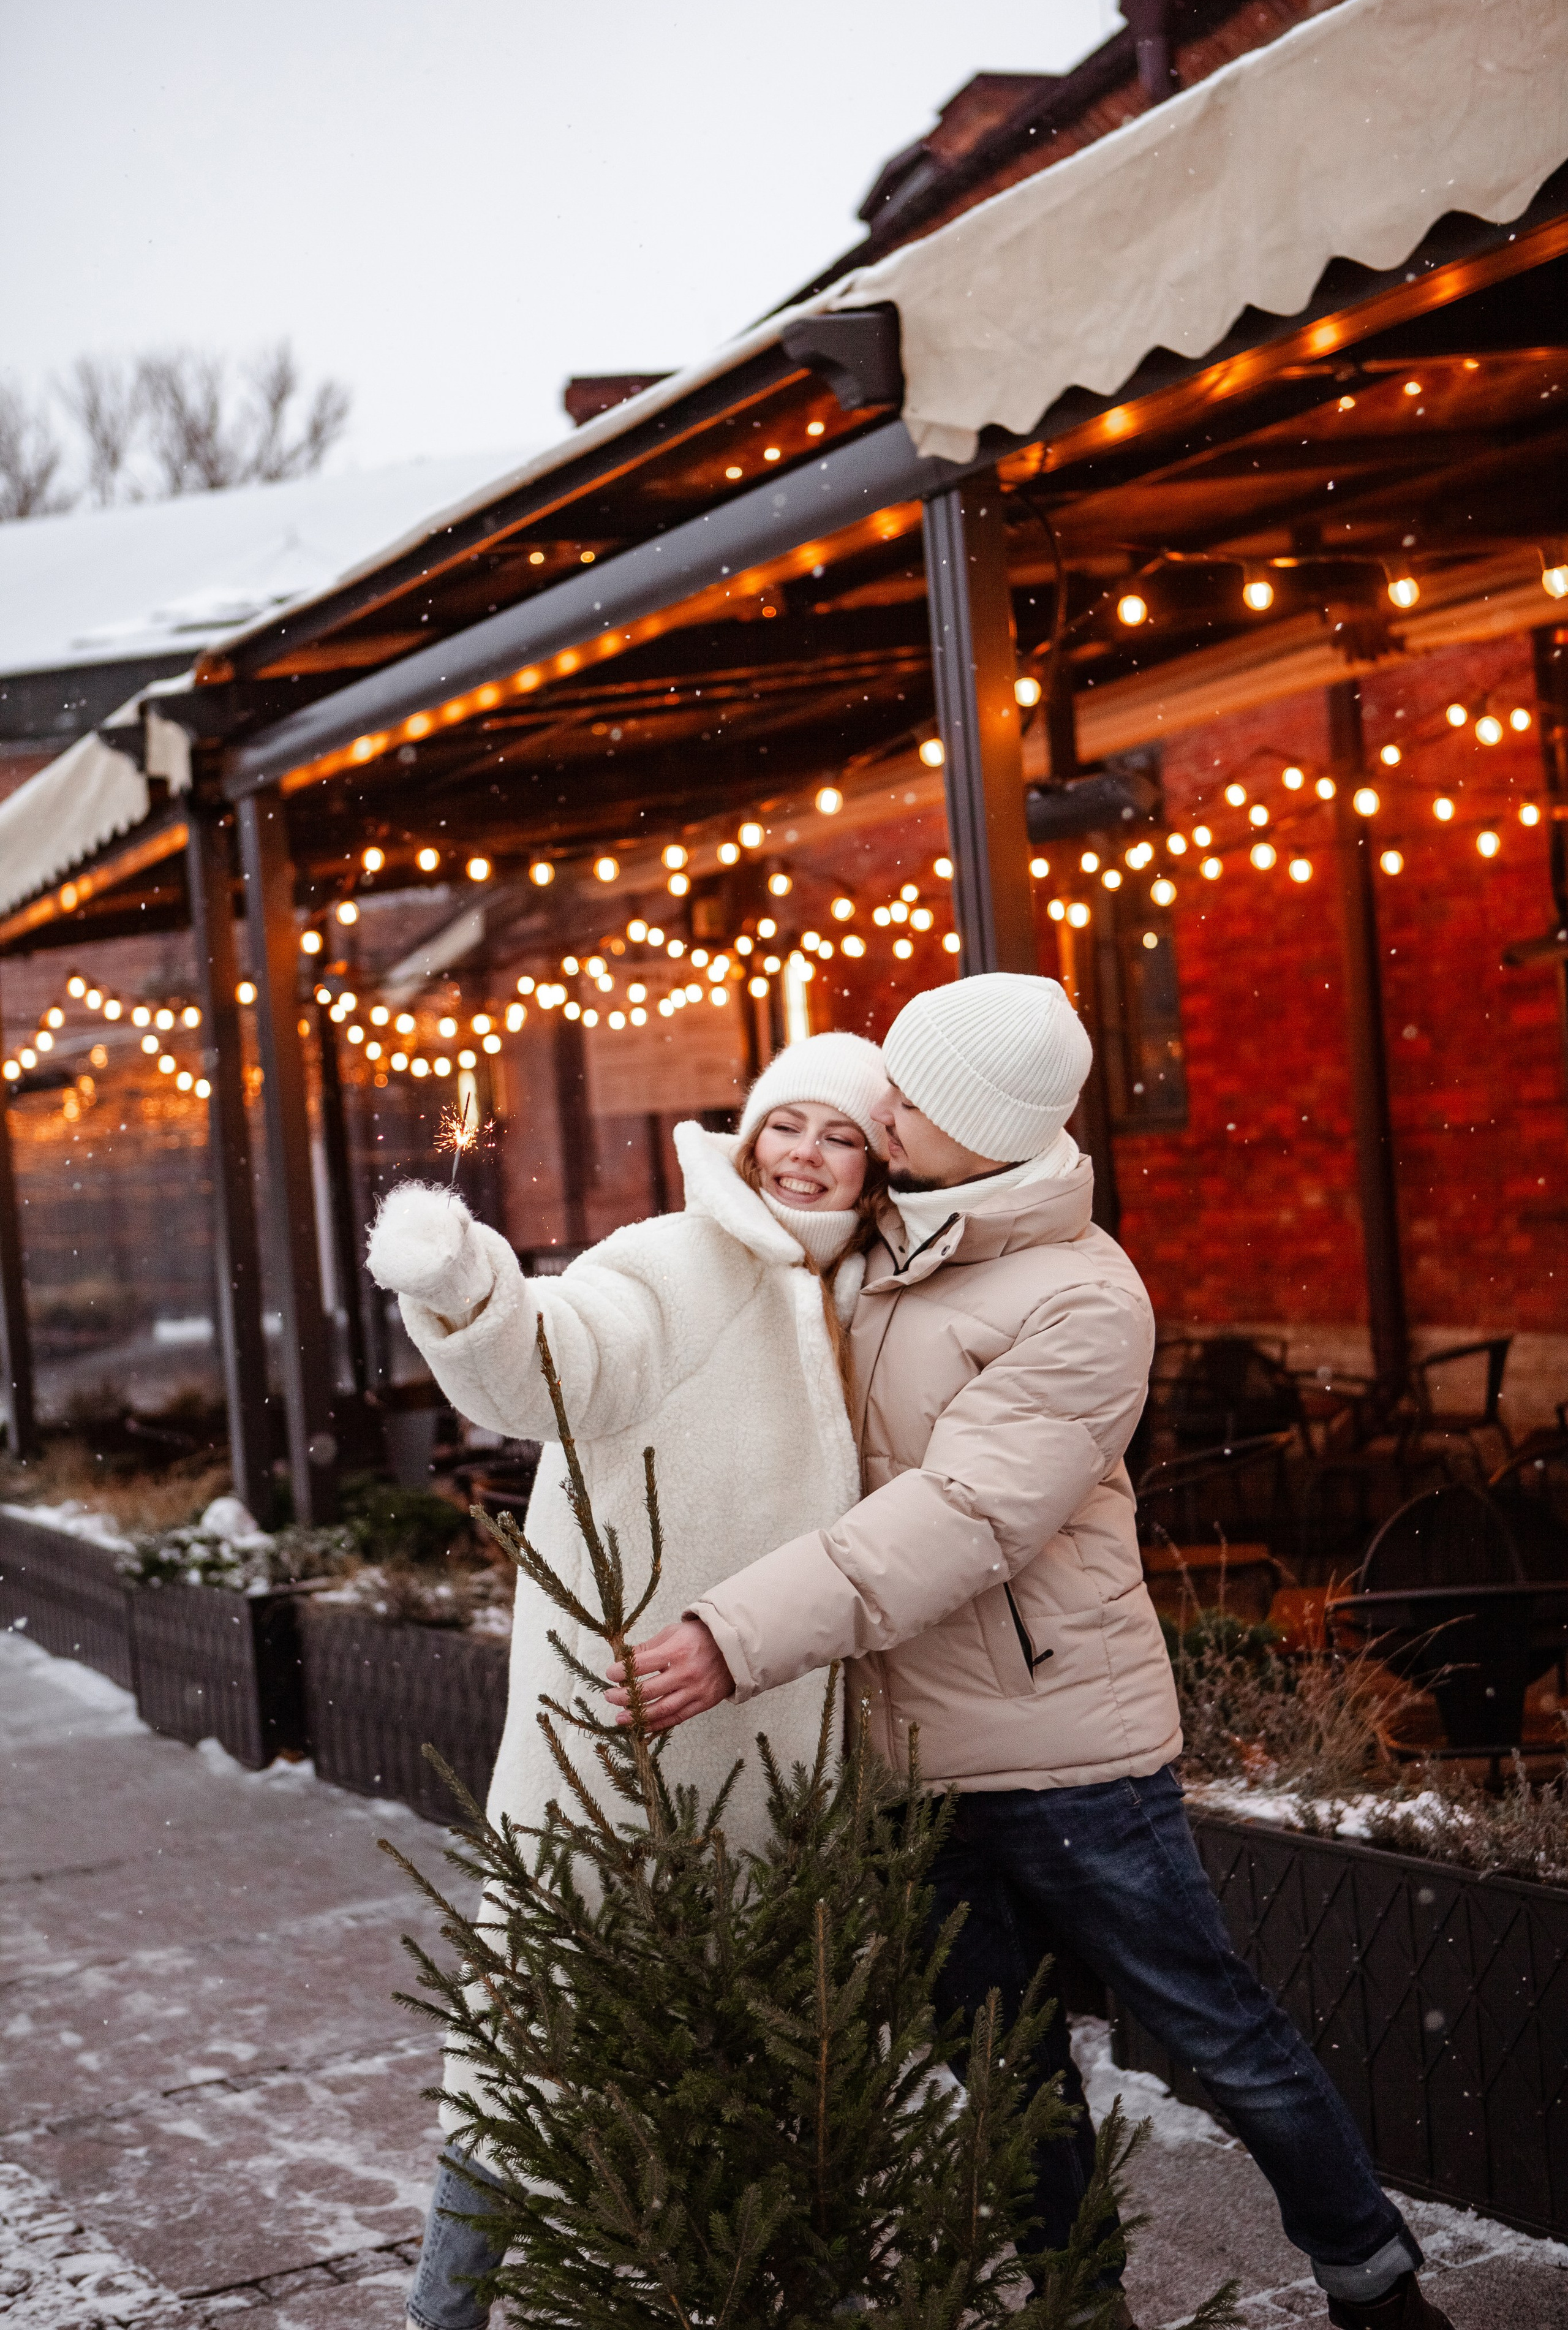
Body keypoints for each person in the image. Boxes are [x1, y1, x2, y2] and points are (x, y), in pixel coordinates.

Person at [609, 972, 1450, 2330]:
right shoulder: (884, 1241)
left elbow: (963, 1517)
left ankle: (1376, 2286)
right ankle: (1077, 2303)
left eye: (909, 1093)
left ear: (980, 1127)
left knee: (1217, 2035)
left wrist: (735, 1634)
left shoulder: (1081, 1299)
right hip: (904, 1749)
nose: (881, 1104)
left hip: (1064, 1751)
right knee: (1004, 2071)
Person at [364, 1034, 888, 2330]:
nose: (805, 1157)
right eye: (787, 1125)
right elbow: (562, 1357)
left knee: (777, 2069)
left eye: (840, 1137)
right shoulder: (677, 1259)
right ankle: (445, 2311)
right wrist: (471, 1291)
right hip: (624, 1744)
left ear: (876, 1166)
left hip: (788, 1761)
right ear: (749, 1134)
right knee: (532, 2046)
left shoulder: (876, 1290)